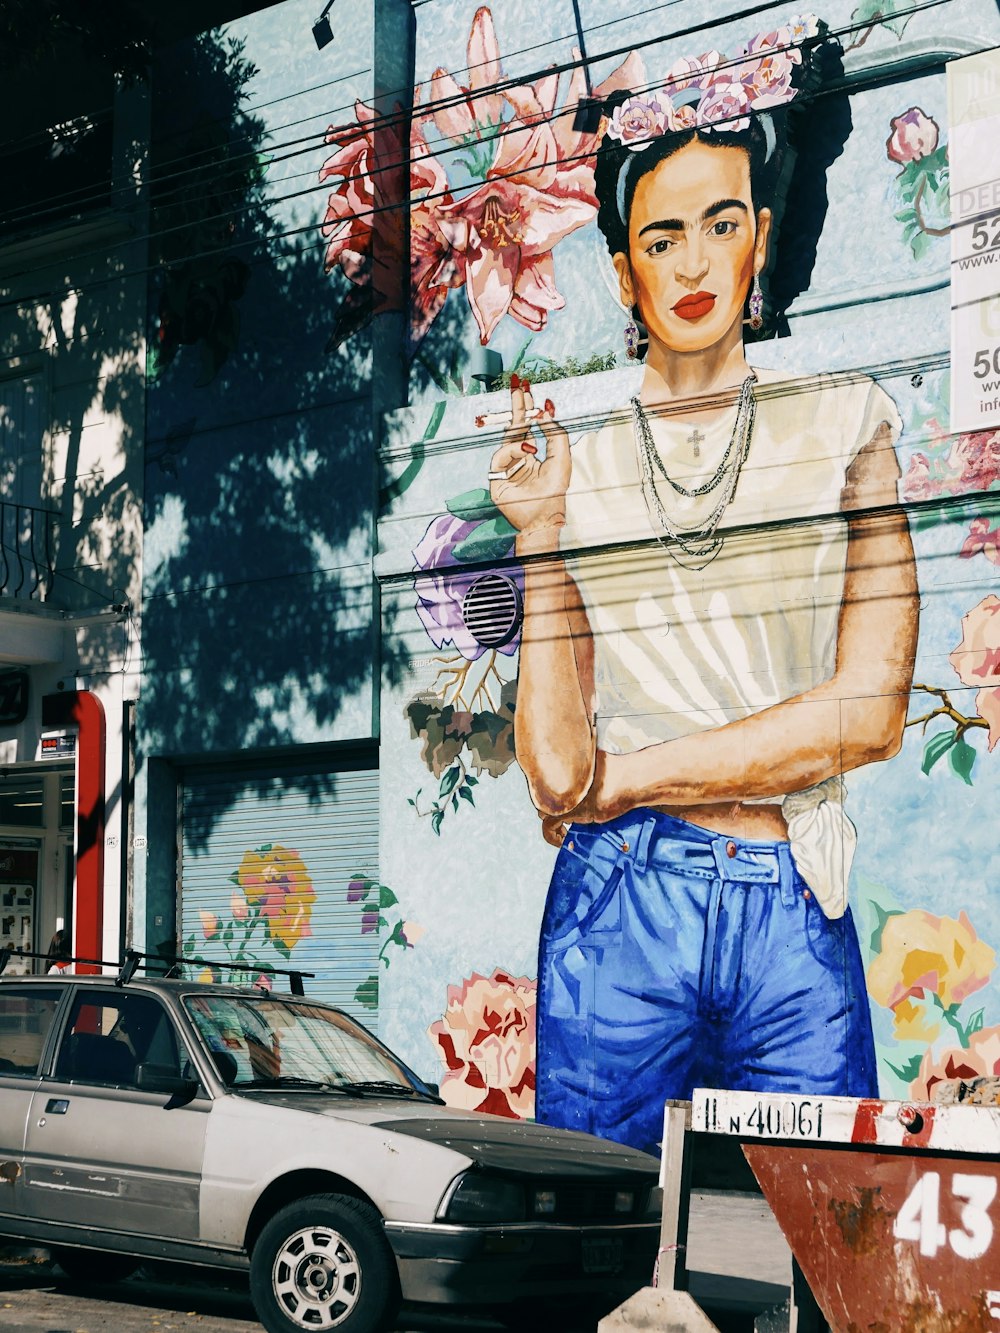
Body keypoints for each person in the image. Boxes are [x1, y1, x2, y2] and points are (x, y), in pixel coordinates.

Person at [487, 26, 919, 1154]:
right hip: (618, 905)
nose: (692, 264)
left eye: (720, 225)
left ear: (760, 239)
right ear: (623, 269)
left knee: (831, 1234)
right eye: (660, 237)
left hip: (792, 900)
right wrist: (538, 537)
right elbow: (553, 768)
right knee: (595, 1228)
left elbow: (865, 714)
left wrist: (633, 776)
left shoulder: (848, 422)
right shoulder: (570, 462)